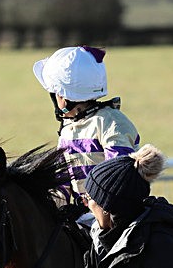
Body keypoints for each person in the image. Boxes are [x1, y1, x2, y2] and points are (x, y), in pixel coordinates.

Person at [33, 45, 140, 205]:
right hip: (86, 214)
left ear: (63, 97)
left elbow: (118, 178)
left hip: (115, 212)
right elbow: (61, 184)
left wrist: (95, 208)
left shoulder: (111, 122)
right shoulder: (67, 130)